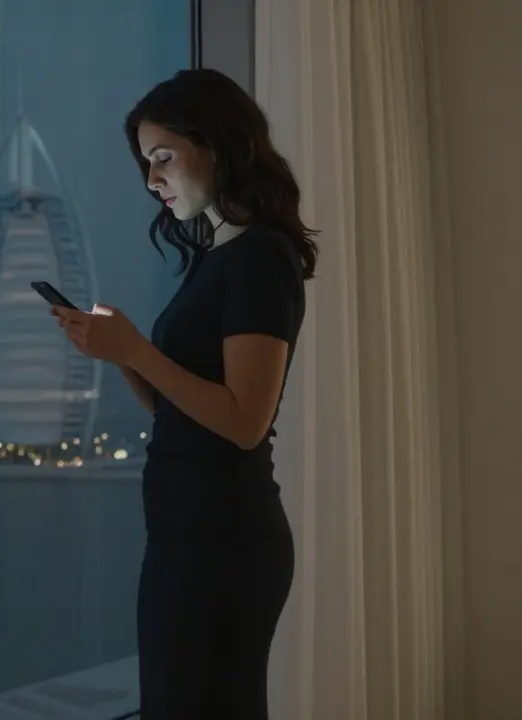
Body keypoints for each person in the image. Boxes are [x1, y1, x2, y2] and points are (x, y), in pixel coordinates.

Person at [51, 68, 317, 718]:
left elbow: (244, 421)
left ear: (220, 144)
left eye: (164, 157)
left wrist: (137, 349)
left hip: (223, 541)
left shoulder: (259, 258)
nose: (152, 179)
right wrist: (120, 356)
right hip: (186, 536)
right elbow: (184, 413)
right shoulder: (215, 257)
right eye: (147, 162)